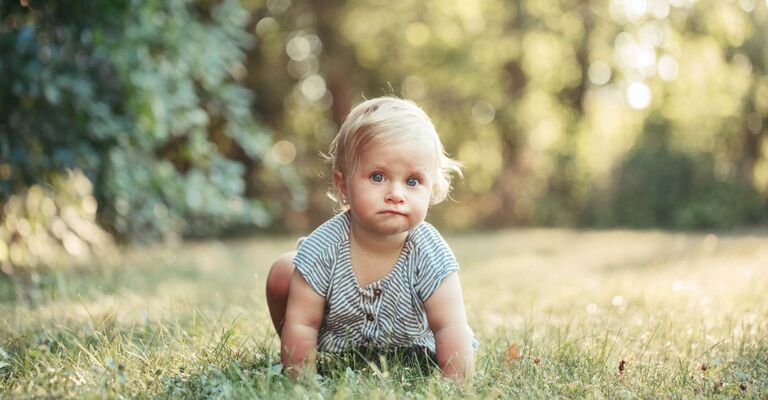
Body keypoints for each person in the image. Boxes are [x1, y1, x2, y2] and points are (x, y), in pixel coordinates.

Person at [265, 96, 477, 382]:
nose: (396, 194)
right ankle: (310, 356)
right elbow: (303, 322)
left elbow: (451, 325)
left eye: (412, 181)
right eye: (378, 177)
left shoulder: (428, 251)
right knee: (285, 268)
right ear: (344, 185)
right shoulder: (325, 247)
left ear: (431, 187)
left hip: (414, 352)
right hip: (341, 348)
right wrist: (301, 381)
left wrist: (456, 385)